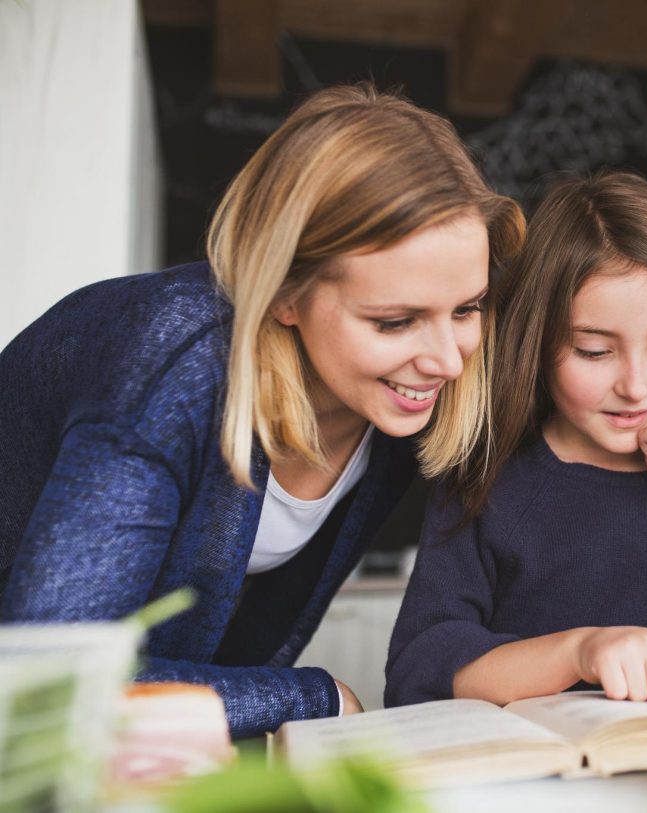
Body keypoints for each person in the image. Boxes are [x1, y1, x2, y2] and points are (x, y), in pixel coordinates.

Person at [0, 85, 524, 737]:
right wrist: (313, 697)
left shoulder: (393, 402)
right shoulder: (171, 363)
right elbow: (47, 688)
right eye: (395, 321)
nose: (448, 359)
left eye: (467, 308)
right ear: (283, 293)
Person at [384, 172, 647, 708]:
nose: (636, 386)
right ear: (538, 339)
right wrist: (579, 652)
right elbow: (420, 670)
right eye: (595, 352)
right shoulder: (485, 481)